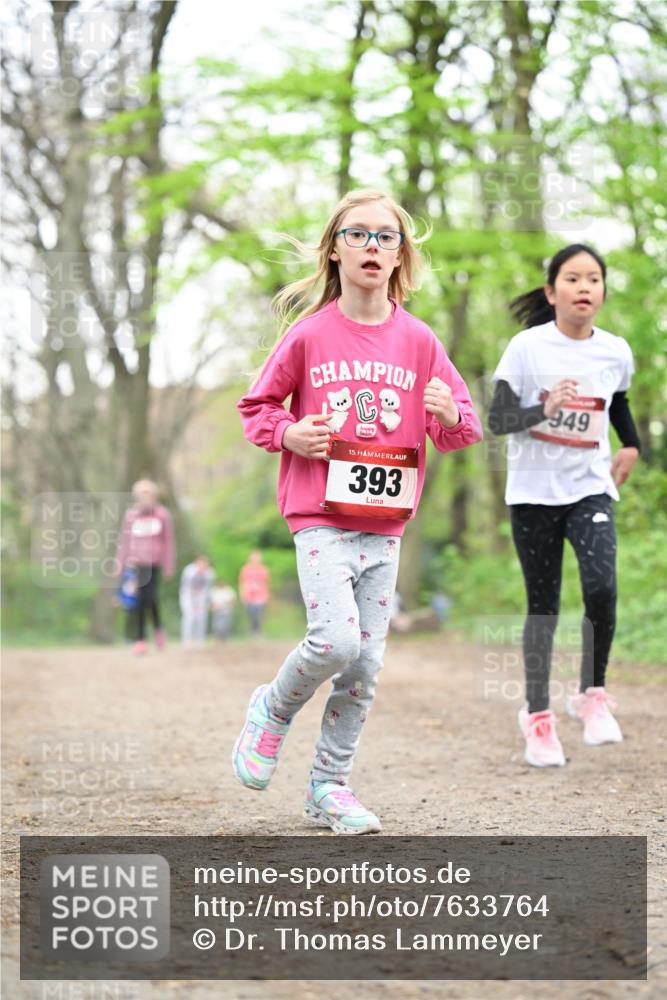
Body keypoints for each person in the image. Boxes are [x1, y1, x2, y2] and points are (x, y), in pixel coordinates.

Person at [232, 189, 483, 833]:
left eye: (386, 236)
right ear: (334, 251)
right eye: (358, 234)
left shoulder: (419, 341)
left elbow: (462, 428)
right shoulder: (310, 335)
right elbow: (257, 408)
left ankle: (328, 787)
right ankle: (273, 708)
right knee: (336, 641)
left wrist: (450, 413)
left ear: (400, 255)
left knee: (366, 666)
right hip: (320, 515)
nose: (372, 246)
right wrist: (289, 434)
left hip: (385, 524)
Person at [488, 244, 640, 767]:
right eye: (572, 279)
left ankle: (591, 693)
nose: (584, 287)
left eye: (593, 279)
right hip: (533, 494)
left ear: (602, 291)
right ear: (551, 292)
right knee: (544, 607)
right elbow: (498, 419)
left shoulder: (615, 350)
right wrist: (544, 408)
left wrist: (631, 443)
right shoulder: (527, 348)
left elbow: (618, 400)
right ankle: (537, 717)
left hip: (590, 487)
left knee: (602, 587)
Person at [116, 480, 175, 655]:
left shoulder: (162, 514)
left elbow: (168, 541)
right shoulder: (131, 516)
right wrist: (120, 563)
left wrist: (169, 565)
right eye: (141, 493)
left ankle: (158, 628)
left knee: (151, 598)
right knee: (138, 601)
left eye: (147, 492)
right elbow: (124, 541)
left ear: (154, 495)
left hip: (154, 563)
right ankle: (140, 639)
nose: (145, 496)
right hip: (135, 564)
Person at [180, 555, 215, 647]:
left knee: (201, 617)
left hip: (201, 597)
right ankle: (187, 639)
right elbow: (186, 586)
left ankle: (199, 639)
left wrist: (209, 601)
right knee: (189, 616)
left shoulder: (209, 573)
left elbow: (208, 589)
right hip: (188, 596)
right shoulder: (189, 571)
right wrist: (192, 600)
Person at [238, 552, 270, 636]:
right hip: (249, 596)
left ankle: (258, 631)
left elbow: (266, 583)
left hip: (260, 596)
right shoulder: (246, 569)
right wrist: (242, 594)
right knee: (251, 614)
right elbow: (242, 582)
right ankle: (252, 630)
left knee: (259, 614)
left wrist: (266, 595)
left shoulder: (263, 569)